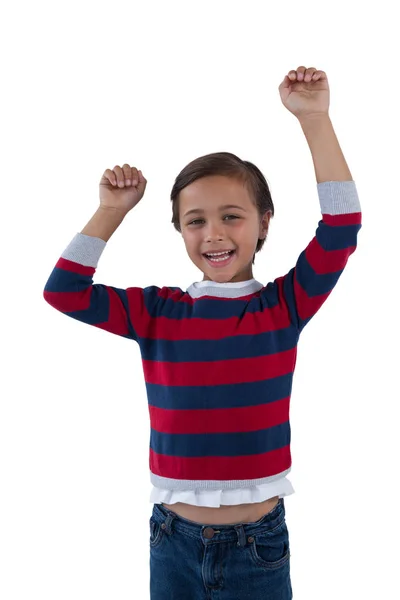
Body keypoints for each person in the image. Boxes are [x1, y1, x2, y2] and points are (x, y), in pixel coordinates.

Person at [43, 66, 362, 599]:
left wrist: (314, 119)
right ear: (180, 231)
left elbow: (343, 224)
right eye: (195, 221)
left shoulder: (284, 304)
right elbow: (64, 291)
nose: (213, 233)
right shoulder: (156, 312)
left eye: (231, 217)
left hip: (259, 547)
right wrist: (110, 211)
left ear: (264, 223)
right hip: (173, 543)